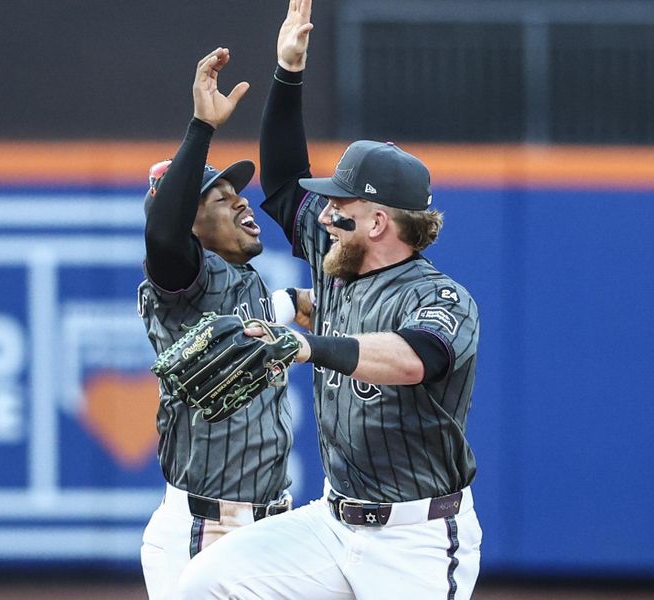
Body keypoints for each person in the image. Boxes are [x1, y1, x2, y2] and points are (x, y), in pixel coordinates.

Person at [177, 1, 483, 598]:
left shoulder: (442, 297)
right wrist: (288, 73)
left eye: (341, 204)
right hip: (333, 523)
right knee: (206, 585)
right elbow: (287, 178)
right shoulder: (337, 252)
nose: (326, 212)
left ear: (377, 223)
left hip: (415, 541)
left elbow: (412, 358)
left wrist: (304, 344)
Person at [138, 47, 303, 600]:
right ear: (190, 220)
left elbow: (275, 312)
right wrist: (202, 127)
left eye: (239, 193)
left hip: (272, 523)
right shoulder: (182, 278)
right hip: (205, 529)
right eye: (221, 198)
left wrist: (304, 303)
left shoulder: (246, 281)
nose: (243, 203)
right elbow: (163, 237)